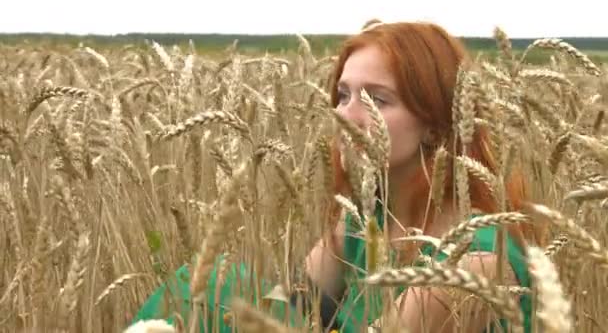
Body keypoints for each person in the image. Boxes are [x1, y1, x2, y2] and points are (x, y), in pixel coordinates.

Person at [130, 20, 544, 332]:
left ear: (436, 124)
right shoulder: (365, 219)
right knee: (218, 282)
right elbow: (290, 304)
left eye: (377, 99)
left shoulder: (475, 258)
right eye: (343, 95)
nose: (346, 116)